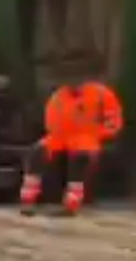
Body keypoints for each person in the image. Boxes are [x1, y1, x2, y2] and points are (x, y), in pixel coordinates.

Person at [19, 66, 124, 216]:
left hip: (87, 137)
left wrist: (101, 134)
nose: (73, 82)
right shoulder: (58, 96)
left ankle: (71, 203)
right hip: (60, 137)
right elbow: (50, 122)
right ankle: (27, 201)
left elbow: (114, 119)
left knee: (79, 156)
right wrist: (57, 135)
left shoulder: (102, 94)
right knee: (37, 151)